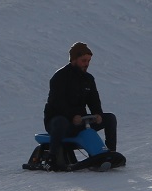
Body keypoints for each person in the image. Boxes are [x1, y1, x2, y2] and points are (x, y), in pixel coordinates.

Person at [43, 42, 116, 171]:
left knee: (110, 118)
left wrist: (98, 113)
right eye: (83, 60)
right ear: (74, 59)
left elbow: (94, 100)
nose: (86, 64)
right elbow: (57, 103)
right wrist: (72, 116)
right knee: (61, 122)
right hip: (58, 121)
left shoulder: (88, 79)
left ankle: (109, 154)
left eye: (88, 61)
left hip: (81, 121)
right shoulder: (59, 77)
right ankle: (52, 158)